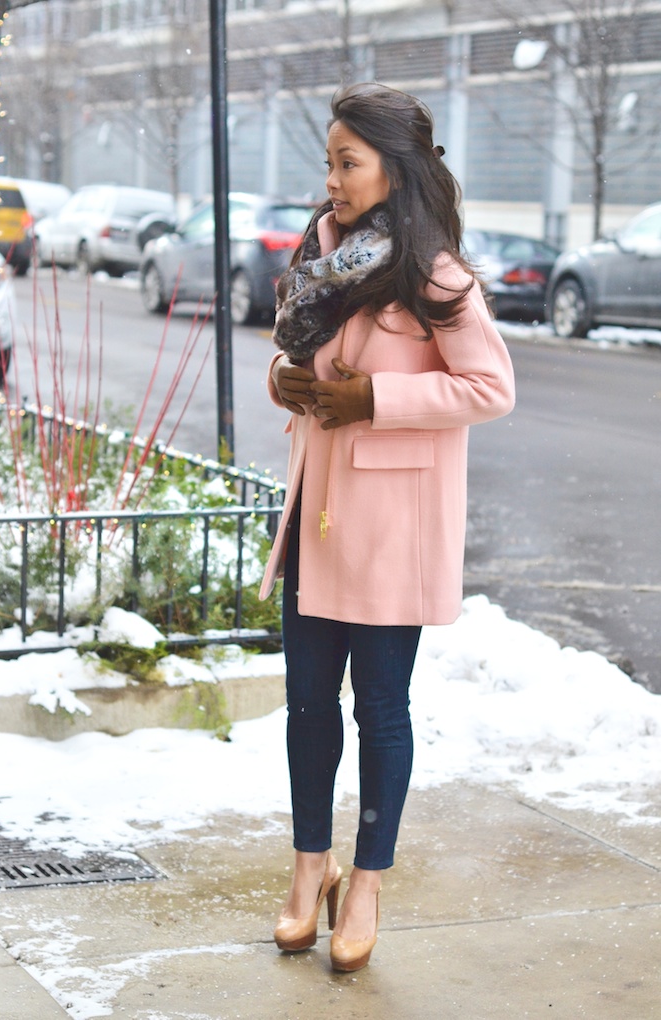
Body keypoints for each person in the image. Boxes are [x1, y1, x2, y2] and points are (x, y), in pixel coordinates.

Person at [258, 82, 515, 972]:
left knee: (381, 712)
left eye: (347, 163)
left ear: (392, 170)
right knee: (304, 709)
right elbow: (294, 361)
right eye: (328, 162)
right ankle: (308, 871)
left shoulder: (435, 271)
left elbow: (490, 389)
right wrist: (283, 383)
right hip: (315, 521)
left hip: (389, 528)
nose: (331, 179)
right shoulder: (318, 255)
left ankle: (365, 884)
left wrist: (376, 397)